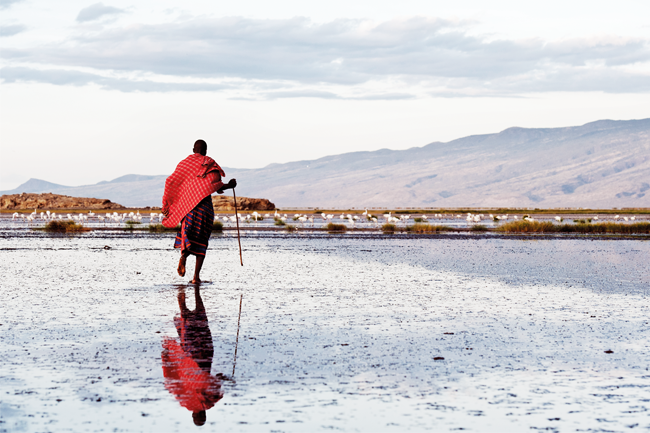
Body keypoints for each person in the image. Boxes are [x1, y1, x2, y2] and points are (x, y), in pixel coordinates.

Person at [161, 139, 236, 283]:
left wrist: (166, 206)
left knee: (188, 234)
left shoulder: (184, 164)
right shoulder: (209, 163)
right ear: (205, 151)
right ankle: (196, 277)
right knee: (202, 241)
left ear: (193, 149)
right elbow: (215, 184)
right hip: (204, 209)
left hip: (188, 209)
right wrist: (230, 185)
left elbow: (171, 182)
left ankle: (183, 257)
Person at [161, 286, 225, 426]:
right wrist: (168, 358)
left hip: (204, 357)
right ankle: (183, 299)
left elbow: (216, 382)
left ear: (203, 414)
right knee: (188, 328)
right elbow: (173, 379)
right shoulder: (186, 400)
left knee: (201, 324)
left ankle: (194, 295)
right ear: (193, 414)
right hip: (190, 359)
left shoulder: (209, 401)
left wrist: (223, 378)